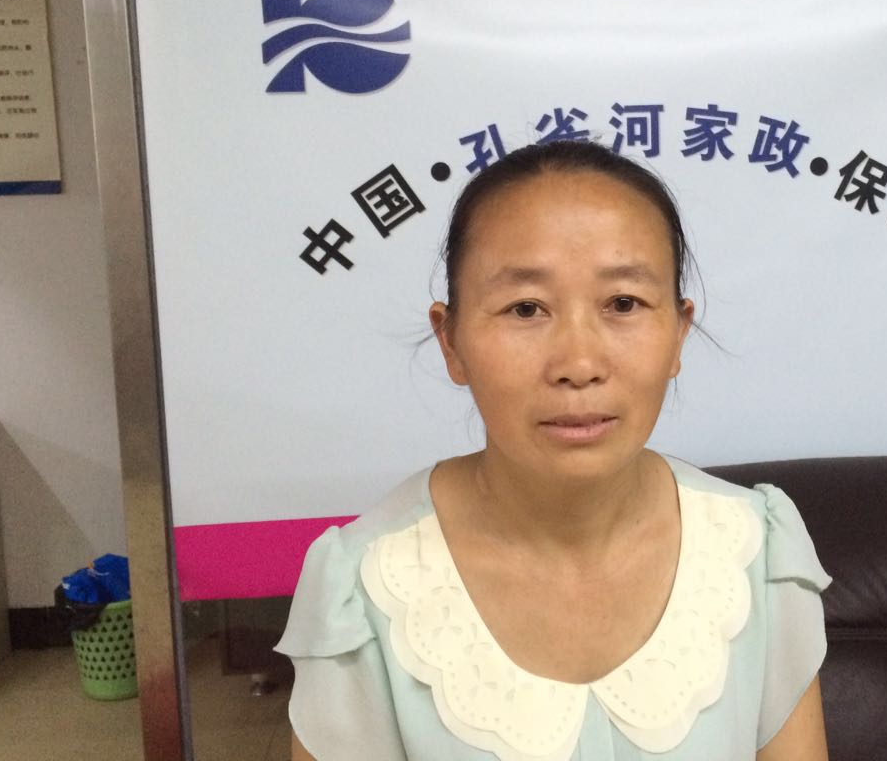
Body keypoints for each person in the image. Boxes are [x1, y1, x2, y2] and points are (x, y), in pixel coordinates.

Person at [277, 139, 832, 761]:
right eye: (526, 309)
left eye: (623, 304)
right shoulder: (367, 584)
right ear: (450, 342)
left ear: (678, 333)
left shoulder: (756, 549)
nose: (579, 363)